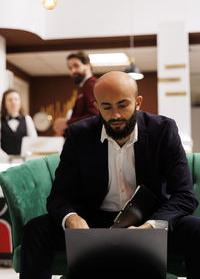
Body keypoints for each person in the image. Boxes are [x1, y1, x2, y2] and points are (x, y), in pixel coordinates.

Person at [20, 71, 200, 279]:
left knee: (196, 229)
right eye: (106, 107)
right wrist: (72, 219)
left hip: (149, 221)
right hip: (92, 223)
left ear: (138, 102)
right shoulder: (79, 134)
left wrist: (150, 227)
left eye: (123, 105)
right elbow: (59, 197)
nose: (115, 115)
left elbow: (184, 196)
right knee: (36, 229)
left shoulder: (163, 130)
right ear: (97, 106)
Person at [53, 51, 99, 137]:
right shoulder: (83, 87)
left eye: (76, 66)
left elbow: (95, 115)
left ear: (88, 65)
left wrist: (67, 122)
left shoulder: (91, 84)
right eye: (70, 68)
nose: (73, 71)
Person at [0, 89, 37, 161]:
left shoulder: (27, 119)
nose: (13, 102)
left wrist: (26, 157)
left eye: (16, 99)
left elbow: (33, 141)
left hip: (25, 161)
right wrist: (6, 159)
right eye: (10, 100)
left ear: (20, 102)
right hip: (4, 162)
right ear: (4, 103)